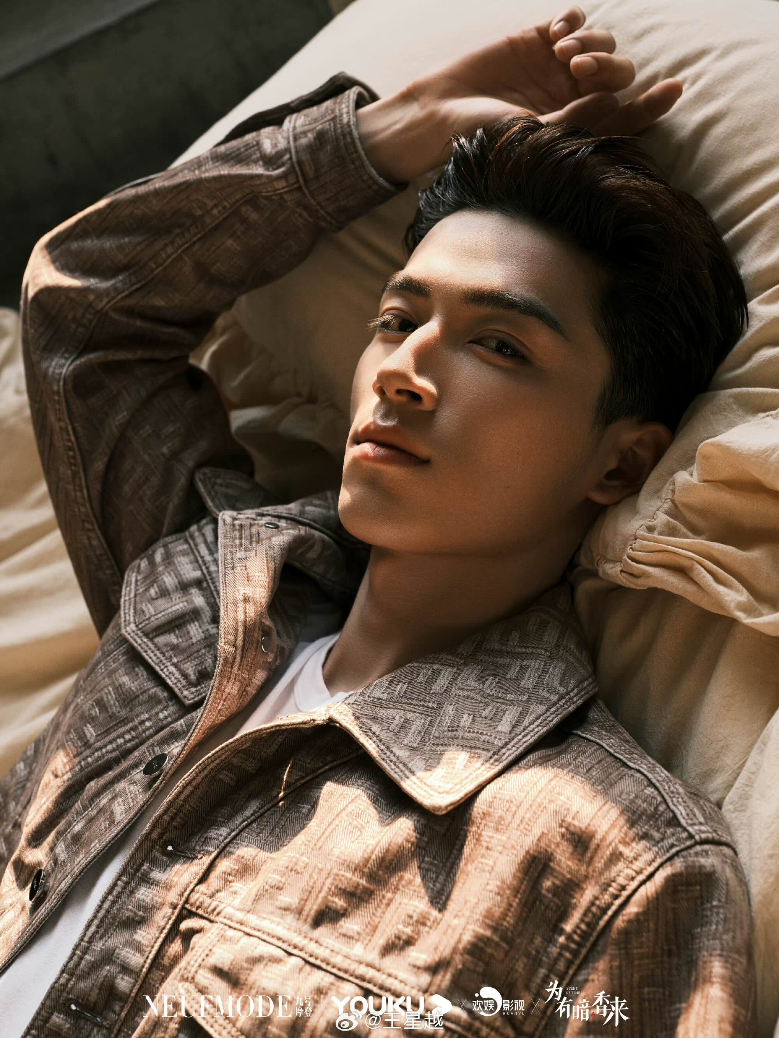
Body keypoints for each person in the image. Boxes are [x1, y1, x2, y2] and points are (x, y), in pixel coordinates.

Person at [0, 5, 756, 1036]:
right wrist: (395, 129)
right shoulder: (196, 590)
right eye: (396, 319)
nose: (402, 370)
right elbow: (85, 306)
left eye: (498, 347)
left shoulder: (609, 866)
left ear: (620, 459)